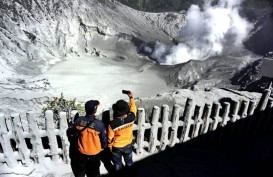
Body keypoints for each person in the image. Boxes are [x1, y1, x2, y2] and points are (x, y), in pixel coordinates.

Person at [70, 100, 107, 177]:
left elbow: (75, 134)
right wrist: (103, 146)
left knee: (81, 169)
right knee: (95, 171)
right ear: (95, 111)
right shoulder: (99, 124)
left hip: (82, 150)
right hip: (94, 151)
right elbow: (103, 138)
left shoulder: (78, 121)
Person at [108, 91, 137, 171]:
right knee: (129, 162)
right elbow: (133, 107)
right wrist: (131, 97)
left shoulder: (112, 124)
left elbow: (110, 138)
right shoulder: (132, 118)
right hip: (128, 144)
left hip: (117, 146)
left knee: (117, 163)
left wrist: (110, 147)